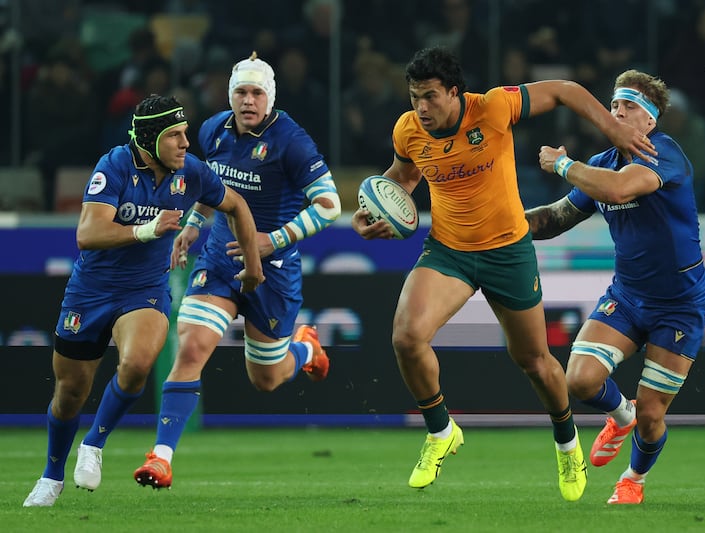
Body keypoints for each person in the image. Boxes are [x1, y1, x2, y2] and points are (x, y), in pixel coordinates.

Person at [350, 46, 655, 501]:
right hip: (448, 250)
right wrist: (376, 211)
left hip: (508, 252)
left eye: (431, 97)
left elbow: (566, 91)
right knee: (406, 337)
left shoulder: (493, 106)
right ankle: (440, 431)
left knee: (534, 362)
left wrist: (612, 127)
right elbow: (404, 176)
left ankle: (567, 443)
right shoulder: (408, 129)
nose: (421, 107)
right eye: (415, 97)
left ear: (455, 92)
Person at [22, 94, 264, 507]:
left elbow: (236, 205)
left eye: (186, 134)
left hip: (145, 290)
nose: (186, 144)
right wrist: (147, 230)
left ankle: (94, 444)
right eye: (175, 136)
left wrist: (254, 264)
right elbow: (87, 234)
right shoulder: (114, 165)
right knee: (70, 393)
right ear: (150, 141)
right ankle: (51, 475)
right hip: (91, 291)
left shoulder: (190, 172)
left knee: (137, 365)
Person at [133, 51, 341, 489]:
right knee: (190, 348)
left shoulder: (293, 141)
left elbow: (330, 206)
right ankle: (161, 457)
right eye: (241, 92)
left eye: (256, 92)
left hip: (274, 269)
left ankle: (304, 348)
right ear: (231, 96)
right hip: (222, 259)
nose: (248, 100)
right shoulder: (212, 130)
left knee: (265, 380)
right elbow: (212, 187)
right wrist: (193, 224)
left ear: (270, 98)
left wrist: (271, 240)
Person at [525, 69, 705, 504]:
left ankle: (633, 478)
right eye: (613, 106)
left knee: (652, 414)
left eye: (628, 107)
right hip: (627, 296)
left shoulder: (663, 154)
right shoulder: (603, 163)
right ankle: (619, 414)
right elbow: (554, 220)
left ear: (649, 121)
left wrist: (564, 164)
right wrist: (502, 224)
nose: (616, 112)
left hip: (679, 305)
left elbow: (622, 187)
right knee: (581, 380)